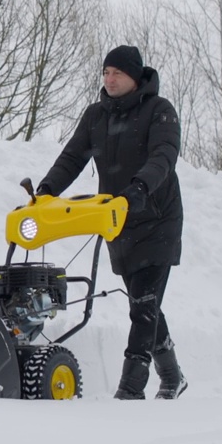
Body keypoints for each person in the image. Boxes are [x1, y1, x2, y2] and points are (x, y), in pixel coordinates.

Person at [36, 45, 188, 400]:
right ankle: (173, 375)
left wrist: (139, 188)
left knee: (145, 301)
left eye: (116, 72)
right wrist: (46, 190)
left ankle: (131, 389)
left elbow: (164, 156)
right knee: (141, 300)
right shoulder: (96, 116)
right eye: (105, 72)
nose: (109, 78)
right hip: (116, 220)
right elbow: (72, 157)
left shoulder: (159, 111)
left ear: (135, 76)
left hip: (157, 217)